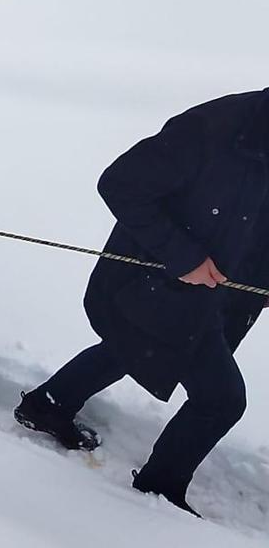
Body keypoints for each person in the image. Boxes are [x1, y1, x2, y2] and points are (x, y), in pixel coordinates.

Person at [14, 91, 269, 516]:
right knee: (221, 399)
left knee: (135, 347)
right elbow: (119, 183)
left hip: (219, 293)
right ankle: (158, 490)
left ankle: (46, 405)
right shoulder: (213, 128)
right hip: (153, 283)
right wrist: (183, 257)